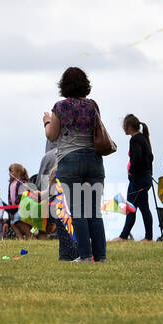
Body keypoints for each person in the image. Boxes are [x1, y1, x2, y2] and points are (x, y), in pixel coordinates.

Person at [43, 67, 108, 262]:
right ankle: (101, 256)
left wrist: (47, 121)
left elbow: (52, 136)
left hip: (70, 160)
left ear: (64, 85)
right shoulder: (92, 105)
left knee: (78, 211)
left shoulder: (60, 107)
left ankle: (86, 256)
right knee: (94, 211)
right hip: (94, 160)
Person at [117, 114, 153, 242]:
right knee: (138, 207)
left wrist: (131, 172)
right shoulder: (143, 138)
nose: (123, 129)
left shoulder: (135, 140)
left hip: (138, 179)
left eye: (124, 126)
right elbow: (150, 158)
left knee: (133, 208)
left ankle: (126, 236)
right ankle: (129, 236)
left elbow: (137, 158)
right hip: (143, 178)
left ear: (130, 127)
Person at [7, 163, 33, 240]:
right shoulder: (11, 183)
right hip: (14, 208)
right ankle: (20, 238)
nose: (9, 173)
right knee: (12, 223)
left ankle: (30, 236)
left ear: (18, 172)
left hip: (23, 207)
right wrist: (10, 209)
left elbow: (24, 195)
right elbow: (10, 196)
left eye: (11, 171)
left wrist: (19, 203)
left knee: (18, 221)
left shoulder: (22, 182)